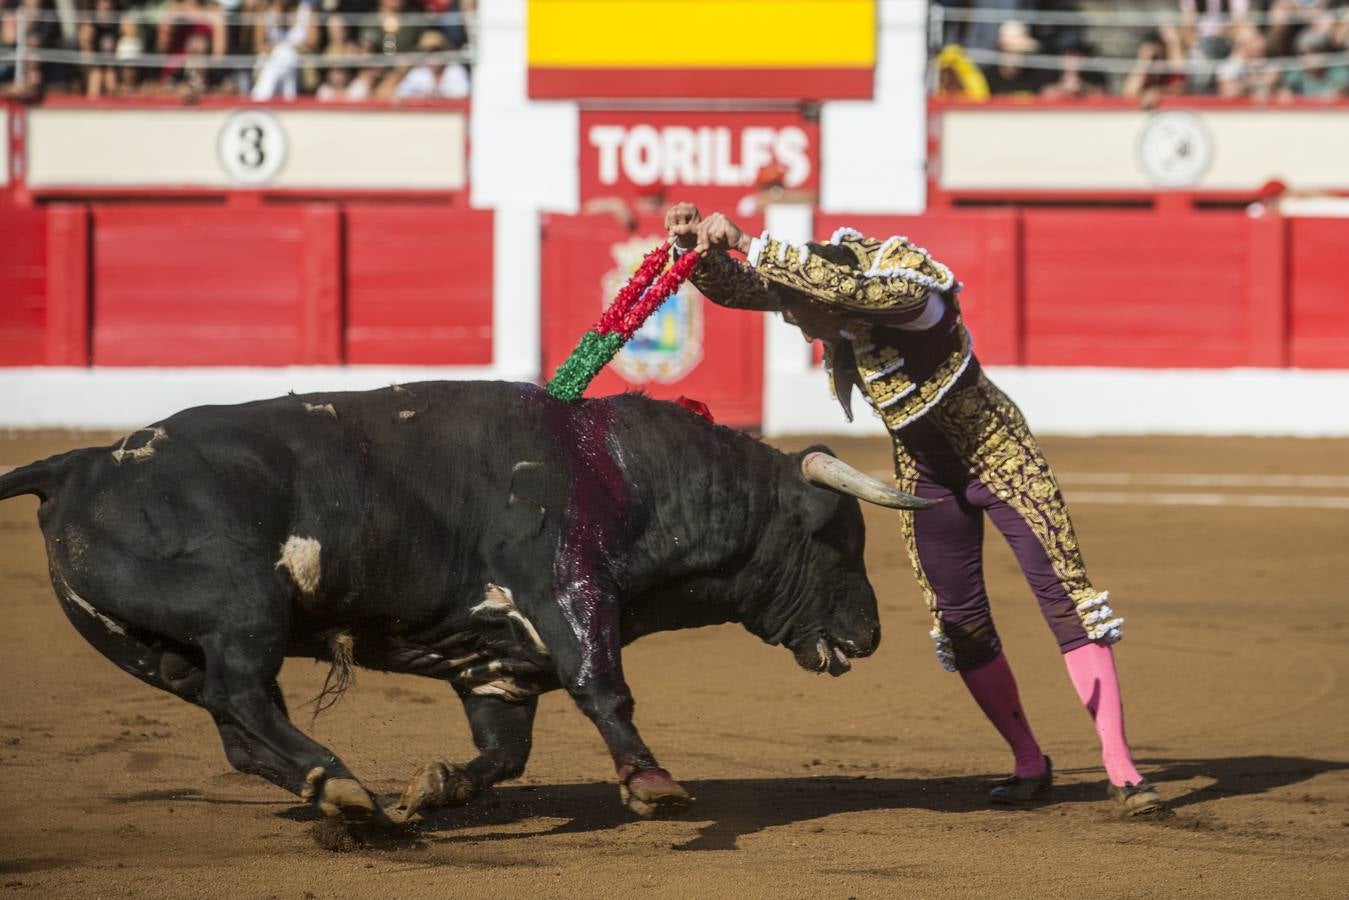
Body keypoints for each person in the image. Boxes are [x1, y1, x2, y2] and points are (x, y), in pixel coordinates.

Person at [664, 202, 1168, 818]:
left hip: (999, 455)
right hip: (925, 475)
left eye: (804, 317)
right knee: (960, 620)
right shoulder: (829, 296)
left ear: (830, 302)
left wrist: (748, 238)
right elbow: (751, 290)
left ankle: (1121, 767)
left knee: (1064, 598)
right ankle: (1029, 762)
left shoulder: (907, 292)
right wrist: (696, 253)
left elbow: (854, 291)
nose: (802, 328)